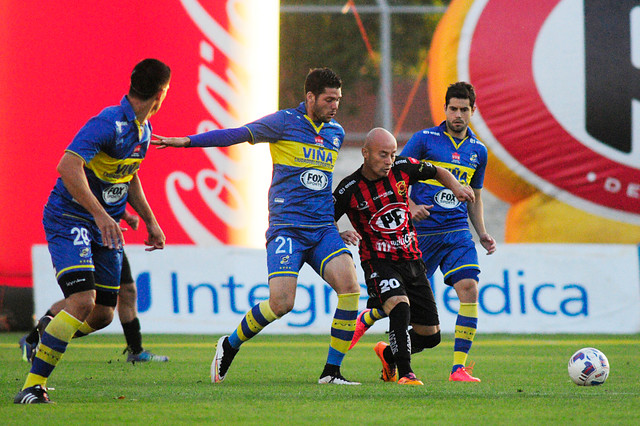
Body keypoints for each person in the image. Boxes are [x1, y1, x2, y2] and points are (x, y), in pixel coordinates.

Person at [152, 68, 361, 385]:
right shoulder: (283, 123)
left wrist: (337, 225)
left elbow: (318, 186)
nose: (335, 105)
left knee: (350, 288)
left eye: (338, 100)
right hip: (287, 229)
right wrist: (187, 142)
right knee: (282, 304)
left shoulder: (336, 133)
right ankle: (229, 344)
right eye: (329, 99)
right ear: (310, 97)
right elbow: (236, 134)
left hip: (322, 229)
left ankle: (332, 372)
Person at [14, 59, 170, 404]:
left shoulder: (142, 131)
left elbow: (129, 176)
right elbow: (67, 166)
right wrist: (101, 215)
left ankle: (43, 335)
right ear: (161, 93)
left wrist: (150, 220)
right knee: (82, 301)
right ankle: (32, 387)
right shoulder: (107, 123)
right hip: (71, 218)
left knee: (102, 313)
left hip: (106, 227)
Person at [349, 82, 497, 382]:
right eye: (453, 108)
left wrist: (481, 232)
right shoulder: (425, 139)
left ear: (473, 111)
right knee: (405, 310)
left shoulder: (478, 151)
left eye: (464, 109)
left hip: (456, 233)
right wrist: (412, 203)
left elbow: (475, 195)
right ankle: (374, 322)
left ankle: (458, 368)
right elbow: (393, 175)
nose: (458, 114)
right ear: (445, 109)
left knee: (469, 288)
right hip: (418, 237)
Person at [333, 128, 475, 385]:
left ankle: (388, 354)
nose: (388, 161)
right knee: (399, 306)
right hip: (378, 262)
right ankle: (405, 373)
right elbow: (324, 220)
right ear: (365, 153)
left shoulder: (403, 168)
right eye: (382, 155)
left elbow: (437, 171)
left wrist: (456, 187)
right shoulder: (349, 189)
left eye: (392, 154)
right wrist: (339, 233)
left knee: (430, 335)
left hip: (412, 259)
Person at [19, 210, 169, 364]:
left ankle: (136, 350)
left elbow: (112, 194)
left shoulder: (123, 186)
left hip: (110, 237)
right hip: (88, 233)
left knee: (127, 291)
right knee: (85, 298)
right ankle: (34, 338)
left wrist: (127, 216)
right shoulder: (81, 187)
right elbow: (92, 194)